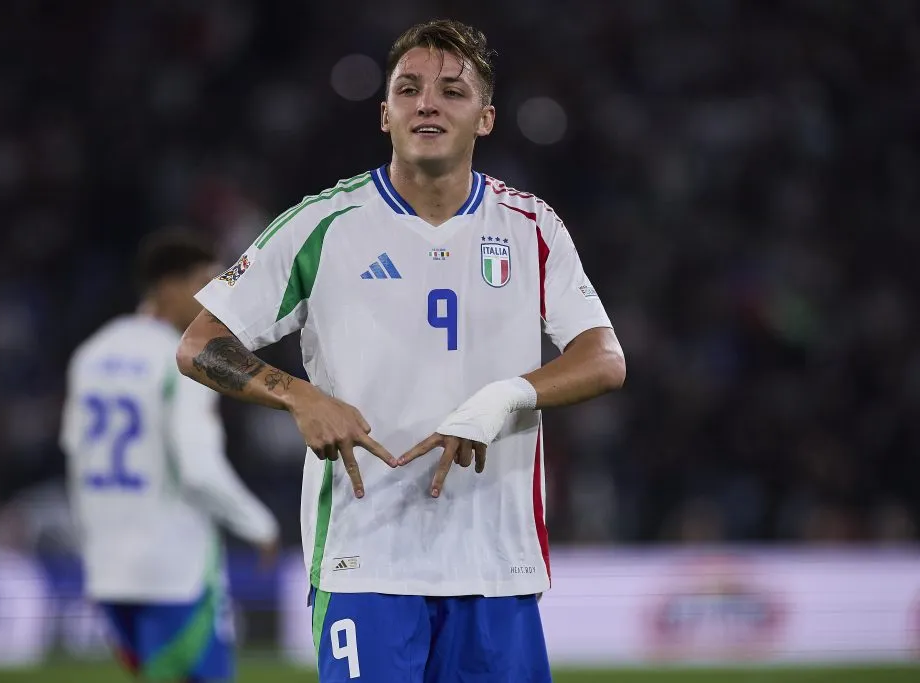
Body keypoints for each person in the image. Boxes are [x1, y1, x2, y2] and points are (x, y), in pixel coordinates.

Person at [177, 18, 625, 683]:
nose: (428, 103)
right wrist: (298, 394)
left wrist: (505, 395)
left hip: (495, 560)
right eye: (409, 88)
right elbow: (198, 343)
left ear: (487, 118)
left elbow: (604, 356)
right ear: (384, 113)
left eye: (452, 90)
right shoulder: (320, 225)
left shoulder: (532, 226)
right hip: (367, 556)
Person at [60, 230, 280, 682]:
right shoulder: (182, 360)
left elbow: (74, 456)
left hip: (108, 571)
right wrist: (258, 523)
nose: (216, 297)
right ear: (168, 286)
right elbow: (198, 468)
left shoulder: (91, 353)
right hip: (175, 568)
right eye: (206, 281)